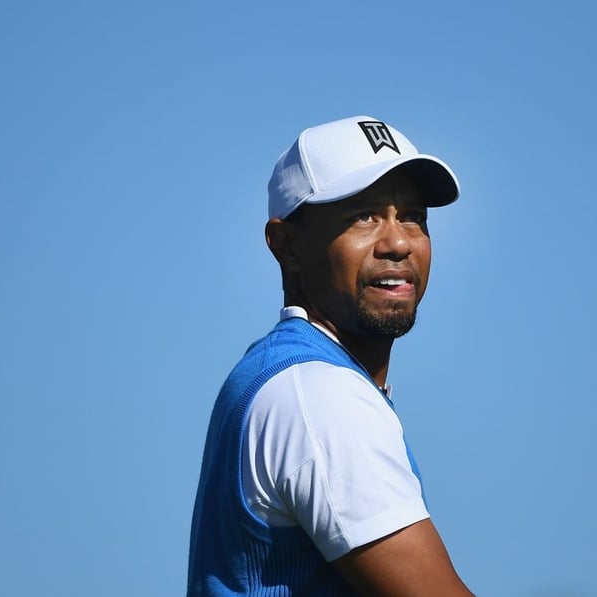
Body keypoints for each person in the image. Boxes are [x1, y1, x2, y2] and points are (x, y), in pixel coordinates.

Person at [187, 115, 474, 596]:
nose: (398, 242)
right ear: (287, 247)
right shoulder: (320, 396)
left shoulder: (284, 374)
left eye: (412, 216)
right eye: (363, 216)